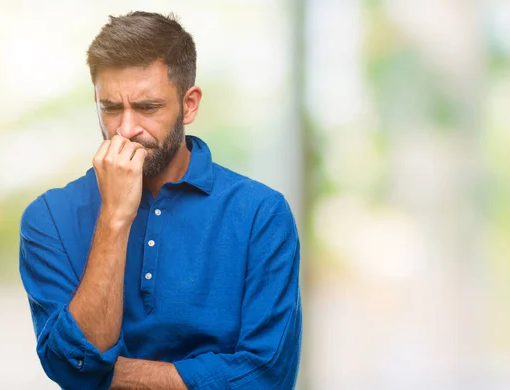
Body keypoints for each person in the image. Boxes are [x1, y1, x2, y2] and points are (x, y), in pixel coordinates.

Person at [19, 11, 302, 390]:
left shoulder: (261, 215)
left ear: (189, 105)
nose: (126, 129)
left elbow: (266, 376)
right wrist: (115, 217)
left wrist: (103, 377)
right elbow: (73, 361)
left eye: (148, 107)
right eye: (111, 108)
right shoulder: (48, 218)